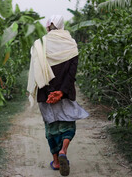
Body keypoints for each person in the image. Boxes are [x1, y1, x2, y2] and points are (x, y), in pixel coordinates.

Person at [27, 15, 89, 176]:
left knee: (51, 127)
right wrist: (61, 92)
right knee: (68, 124)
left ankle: (55, 161)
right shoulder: (71, 44)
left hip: (46, 95)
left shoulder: (39, 45)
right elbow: (71, 73)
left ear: (48, 26)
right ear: (62, 26)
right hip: (66, 93)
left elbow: (37, 73)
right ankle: (63, 150)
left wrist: (50, 93)